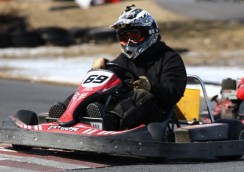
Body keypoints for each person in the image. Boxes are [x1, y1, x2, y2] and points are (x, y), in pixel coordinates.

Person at [49, 5, 187, 130]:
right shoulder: (124, 59)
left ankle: (110, 122)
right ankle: (65, 112)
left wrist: (150, 87)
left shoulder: (170, 58)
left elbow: (173, 92)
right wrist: (97, 70)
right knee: (100, 90)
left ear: (149, 33)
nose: (129, 42)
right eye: (125, 38)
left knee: (142, 94)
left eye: (135, 36)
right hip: (125, 108)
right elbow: (104, 81)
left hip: (156, 114)